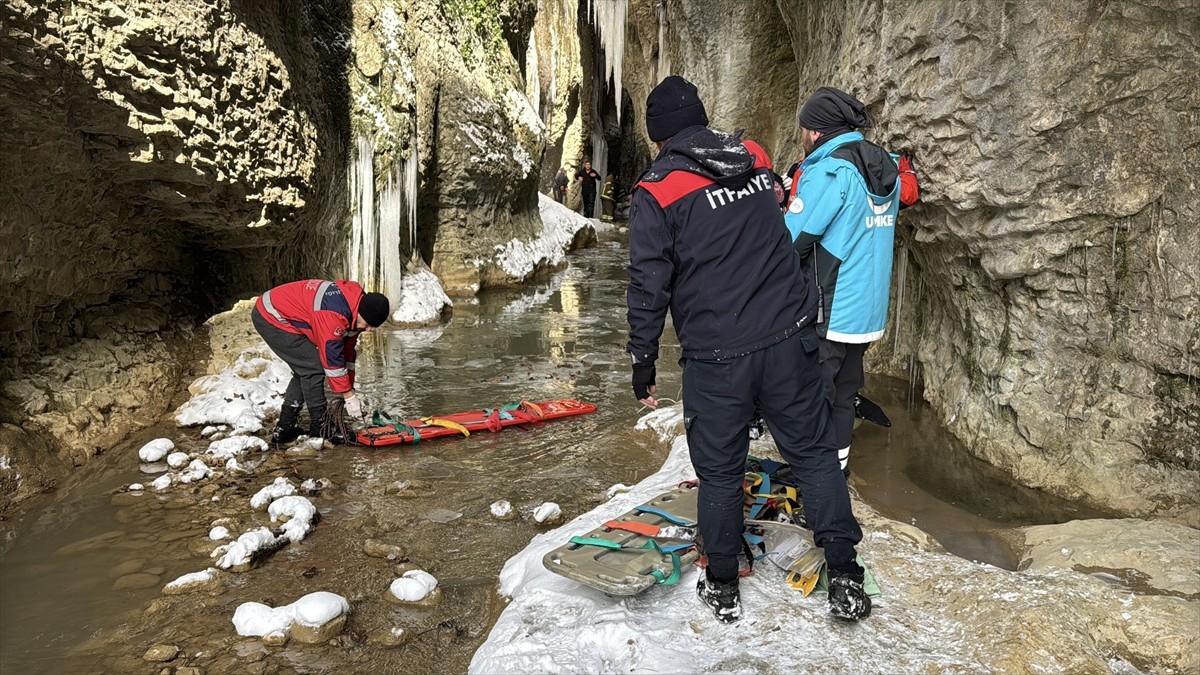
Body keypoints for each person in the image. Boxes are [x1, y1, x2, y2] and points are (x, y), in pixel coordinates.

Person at [626, 75, 871, 623]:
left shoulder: (658, 189)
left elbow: (649, 283)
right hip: (789, 336)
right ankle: (847, 576)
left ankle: (722, 582)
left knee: (719, 471)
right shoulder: (754, 158)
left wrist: (643, 359)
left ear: (658, 135)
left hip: (719, 354)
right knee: (812, 455)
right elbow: (778, 220)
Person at [783, 86, 917, 479]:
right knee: (844, 393)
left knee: (811, 397)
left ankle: (816, 481)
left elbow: (792, 240)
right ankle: (837, 471)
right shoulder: (886, 166)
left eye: (804, 129)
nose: (803, 136)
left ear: (816, 132)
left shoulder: (830, 171)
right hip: (866, 311)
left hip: (830, 307)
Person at [252, 279, 390, 444]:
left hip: (282, 310)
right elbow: (331, 359)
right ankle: (321, 427)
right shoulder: (333, 314)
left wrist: (350, 389)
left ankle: (285, 428)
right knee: (313, 368)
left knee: (304, 368)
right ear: (362, 313)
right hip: (271, 316)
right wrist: (347, 395)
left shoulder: (353, 311)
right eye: (368, 325)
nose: (368, 330)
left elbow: (346, 355)